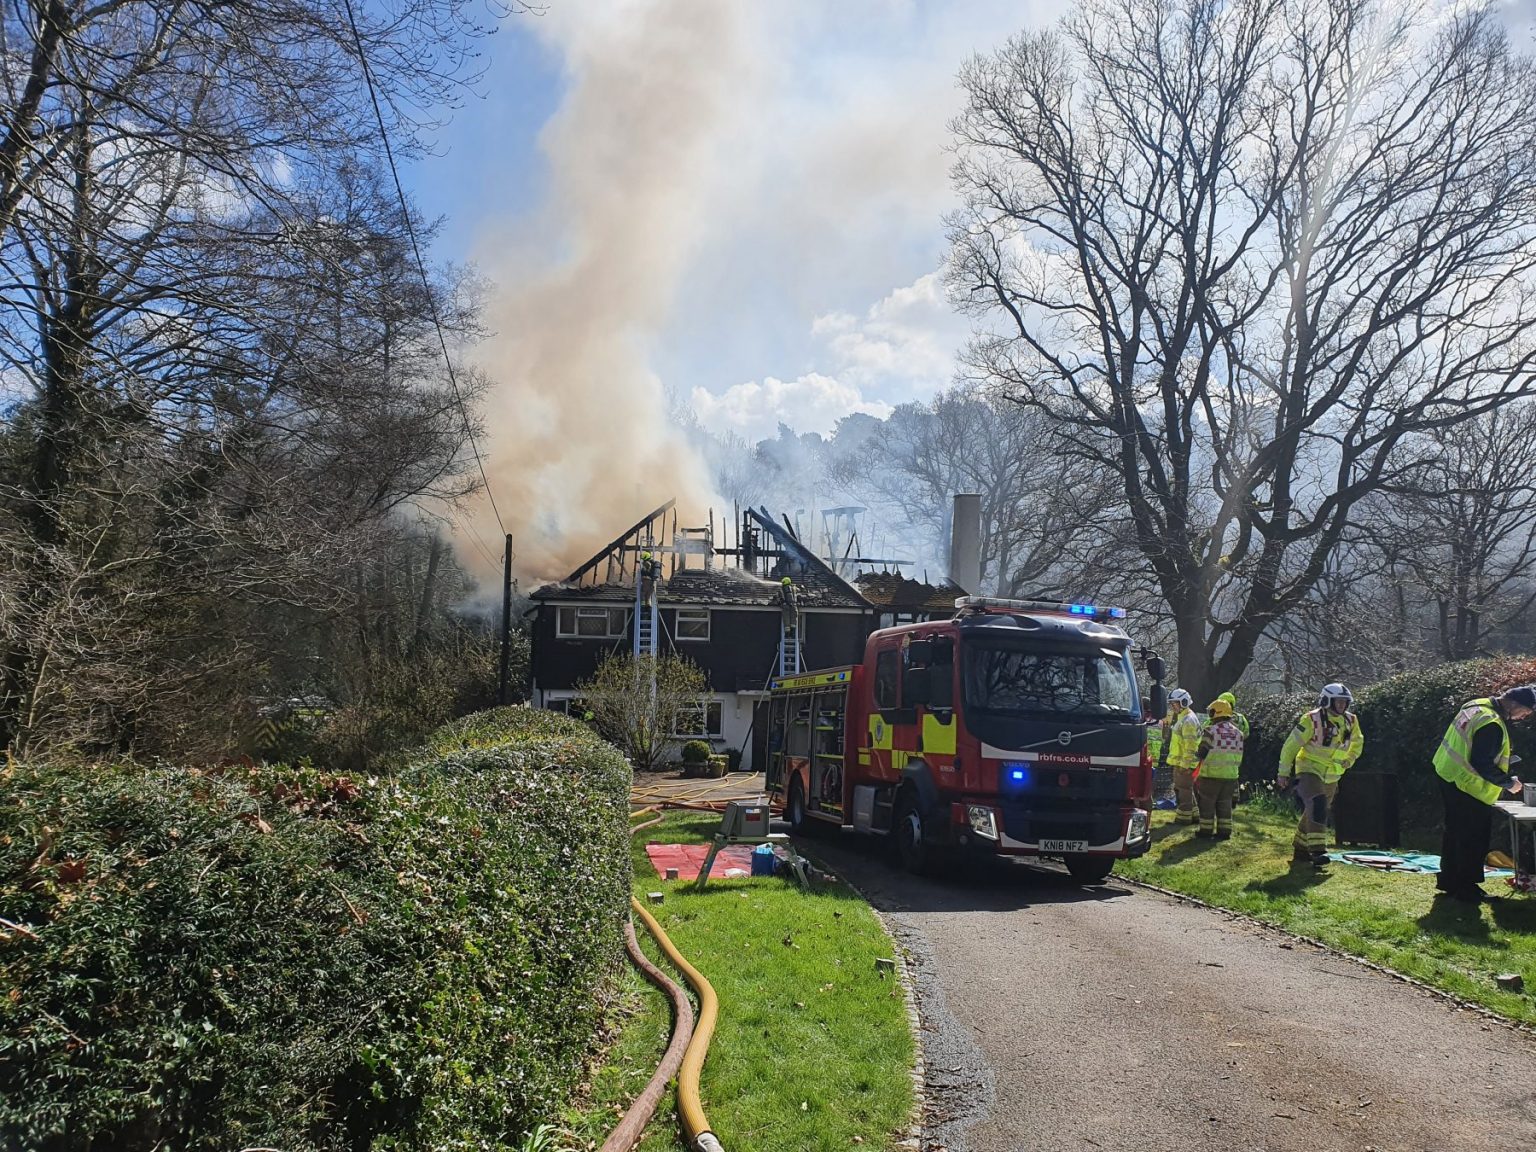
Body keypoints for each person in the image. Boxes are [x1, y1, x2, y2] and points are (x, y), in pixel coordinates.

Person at [1433, 685, 1535, 904]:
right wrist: (1509, 783)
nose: (1525, 716)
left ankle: (1449, 882)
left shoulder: (1476, 705)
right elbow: (1482, 763)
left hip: (1447, 773)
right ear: (1514, 704)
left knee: (1454, 834)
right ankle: (1467, 890)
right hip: (1467, 785)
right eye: (1526, 711)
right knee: (1472, 839)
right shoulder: (1492, 724)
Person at [1277, 682, 1363, 869]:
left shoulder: (1351, 721)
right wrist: (1283, 773)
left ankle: (1300, 849)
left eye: (1344, 702)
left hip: (1333, 774)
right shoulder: (1311, 720)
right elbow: (1290, 746)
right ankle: (1318, 850)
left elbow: (1357, 743)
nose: (1341, 706)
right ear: (1326, 701)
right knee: (1317, 803)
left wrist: (1349, 760)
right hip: (1309, 769)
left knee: (1313, 810)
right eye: (1337, 702)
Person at [1194, 698, 1244, 839]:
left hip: (1211, 775)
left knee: (1207, 804)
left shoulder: (1210, 731)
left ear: (1215, 713)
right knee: (1225, 804)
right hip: (1231, 776)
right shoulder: (1238, 733)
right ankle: (1224, 832)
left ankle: (1205, 831)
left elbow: (1202, 751)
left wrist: (1195, 755)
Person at [1166, 689, 1202, 824]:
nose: (1172, 707)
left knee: (1183, 790)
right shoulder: (1184, 717)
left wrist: (1185, 765)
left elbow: (1190, 746)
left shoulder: (1188, 720)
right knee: (1186, 788)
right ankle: (1194, 815)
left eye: (1174, 703)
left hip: (1185, 763)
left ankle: (1183, 818)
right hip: (1181, 762)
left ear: (1184, 702)